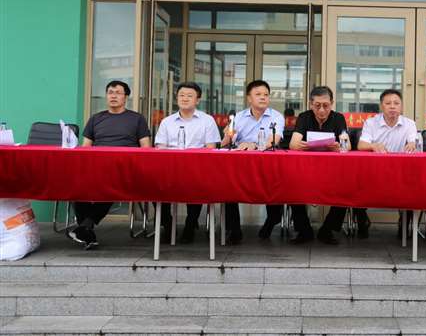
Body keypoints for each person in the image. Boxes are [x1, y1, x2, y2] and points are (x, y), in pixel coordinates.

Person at [68, 80, 151, 249]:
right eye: (110, 92)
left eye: (118, 93)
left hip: (125, 168)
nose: (113, 96)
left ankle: (86, 226)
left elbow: (146, 148)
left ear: (125, 97)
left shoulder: (137, 119)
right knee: (75, 184)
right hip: (97, 166)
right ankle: (87, 230)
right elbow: (85, 148)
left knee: (111, 182)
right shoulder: (96, 119)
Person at [154, 82, 221, 244]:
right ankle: (167, 224)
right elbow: (160, 148)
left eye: (190, 96)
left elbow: (211, 149)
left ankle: (190, 224)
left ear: (197, 100)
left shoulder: (207, 120)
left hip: (197, 169)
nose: (185, 98)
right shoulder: (167, 121)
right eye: (181, 95)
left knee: (197, 185)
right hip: (170, 169)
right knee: (154, 187)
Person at [221, 80, 284, 241]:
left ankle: (272, 221)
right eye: (258, 94)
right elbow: (226, 143)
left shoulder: (276, 116)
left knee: (278, 186)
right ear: (249, 98)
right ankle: (234, 230)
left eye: (266, 95)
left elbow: (274, 140)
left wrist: (254, 145)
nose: (263, 97)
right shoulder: (238, 117)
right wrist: (227, 134)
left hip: (267, 165)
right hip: (241, 165)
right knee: (227, 184)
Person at [355, 89, 418, 239]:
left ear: (401, 106)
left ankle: (404, 224)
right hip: (374, 172)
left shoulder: (409, 124)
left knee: (413, 187)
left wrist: (412, 144)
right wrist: (373, 145)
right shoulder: (371, 123)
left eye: (396, 103)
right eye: (388, 103)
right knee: (355, 184)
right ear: (381, 106)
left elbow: (413, 142)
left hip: (400, 173)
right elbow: (361, 145)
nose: (392, 106)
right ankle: (362, 221)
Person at [290, 86, 347, 245]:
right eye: (317, 106)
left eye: (326, 106)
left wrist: (339, 146)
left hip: (332, 171)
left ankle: (327, 230)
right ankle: (304, 230)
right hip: (306, 171)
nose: (322, 110)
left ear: (332, 103)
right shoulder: (304, 117)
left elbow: (347, 145)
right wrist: (301, 145)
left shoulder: (338, 118)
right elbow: (293, 143)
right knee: (292, 187)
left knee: (345, 189)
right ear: (310, 104)